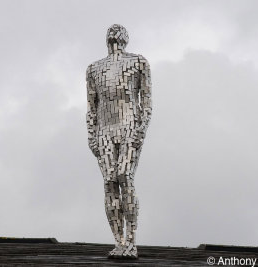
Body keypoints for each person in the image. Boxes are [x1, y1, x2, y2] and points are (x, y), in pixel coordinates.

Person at [86, 24, 152, 259]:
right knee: (110, 182)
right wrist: (92, 135)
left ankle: (131, 242)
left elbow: (146, 101)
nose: (114, 32)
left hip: (129, 127)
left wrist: (140, 130)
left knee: (125, 176)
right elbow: (92, 107)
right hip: (104, 131)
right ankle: (119, 242)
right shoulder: (93, 68)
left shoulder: (139, 62)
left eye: (117, 32)